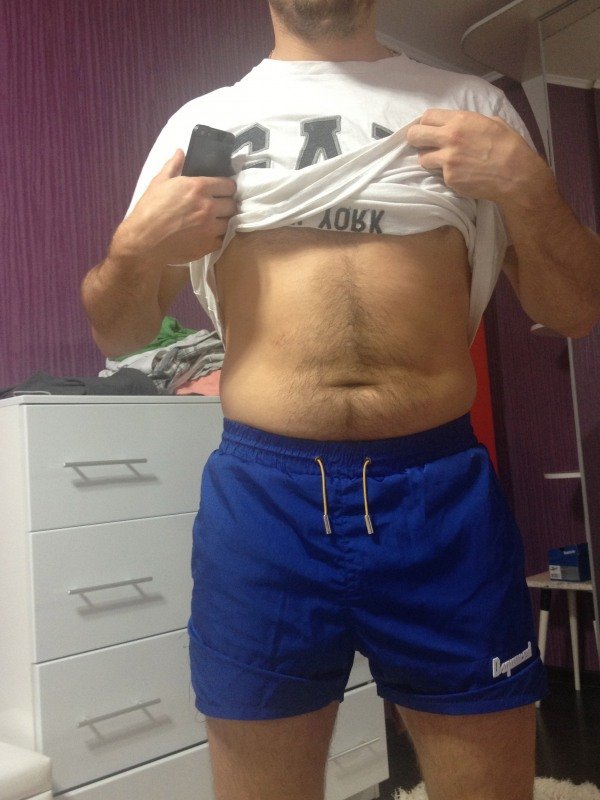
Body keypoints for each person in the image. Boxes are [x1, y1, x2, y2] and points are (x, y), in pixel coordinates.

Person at [81, 1, 600, 798]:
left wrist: (527, 186)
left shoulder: (471, 104)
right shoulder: (206, 125)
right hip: (266, 501)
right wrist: (133, 248)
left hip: (436, 495)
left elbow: (574, 310)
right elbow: (120, 333)